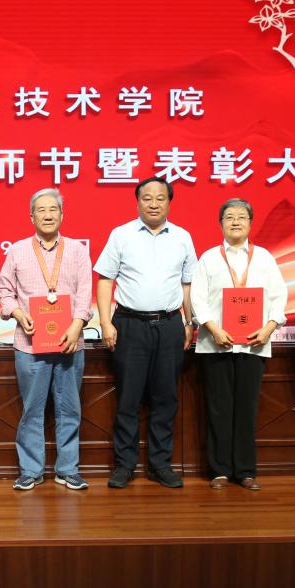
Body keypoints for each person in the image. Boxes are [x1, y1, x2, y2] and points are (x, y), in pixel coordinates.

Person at [94, 177, 197, 489]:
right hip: (129, 325)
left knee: (165, 398)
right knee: (128, 398)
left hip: (169, 325)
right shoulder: (121, 235)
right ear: (138, 201)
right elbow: (105, 280)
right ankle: (125, 465)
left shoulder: (182, 237)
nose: (153, 203)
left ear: (169, 202)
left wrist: (189, 322)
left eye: (160, 198)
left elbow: (187, 285)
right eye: (147, 198)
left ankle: (160, 464)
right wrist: (105, 322)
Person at [0, 188, 93, 491]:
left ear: (62, 214)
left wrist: (77, 325)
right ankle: (31, 470)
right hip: (30, 346)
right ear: (31, 216)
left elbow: (84, 293)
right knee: (32, 410)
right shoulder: (17, 250)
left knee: (70, 409)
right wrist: (17, 313)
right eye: (41, 210)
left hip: (70, 344)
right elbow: (4, 290)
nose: (48, 215)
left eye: (53, 209)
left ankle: (68, 469)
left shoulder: (77, 250)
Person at [191, 198, 287, 491]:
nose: (235, 222)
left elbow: (278, 296)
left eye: (241, 217)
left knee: (247, 408)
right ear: (220, 223)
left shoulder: (264, 258)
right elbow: (197, 298)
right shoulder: (209, 258)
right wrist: (213, 329)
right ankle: (220, 470)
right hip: (216, 344)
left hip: (254, 344)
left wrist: (269, 327)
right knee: (219, 409)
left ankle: (245, 471)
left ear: (250, 223)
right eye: (229, 217)